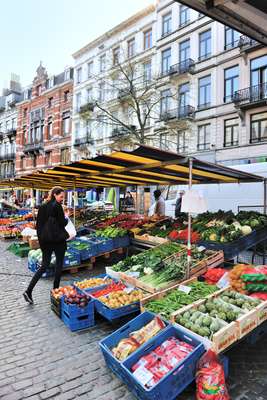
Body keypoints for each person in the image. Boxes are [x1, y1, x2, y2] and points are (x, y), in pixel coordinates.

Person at [23, 186, 70, 305]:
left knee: (44, 266)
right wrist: (67, 216)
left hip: (46, 242)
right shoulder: (57, 206)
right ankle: (55, 293)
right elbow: (62, 223)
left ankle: (28, 291)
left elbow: (39, 226)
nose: (62, 199)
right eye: (61, 196)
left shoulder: (43, 206)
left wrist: (42, 242)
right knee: (59, 265)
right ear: (55, 194)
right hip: (58, 241)